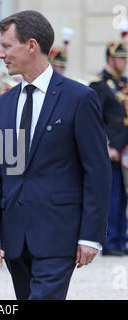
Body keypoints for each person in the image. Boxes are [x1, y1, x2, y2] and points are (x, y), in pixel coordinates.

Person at [0, 10, 112, 300]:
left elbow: (97, 172)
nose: (1, 55)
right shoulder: (1, 106)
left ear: (32, 45)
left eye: (7, 46)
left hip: (59, 234)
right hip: (14, 238)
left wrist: (91, 234)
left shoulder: (79, 98)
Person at [90, 40, 128, 256]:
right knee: (112, 197)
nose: (124, 62)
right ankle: (111, 240)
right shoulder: (99, 85)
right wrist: (105, 147)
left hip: (125, 151)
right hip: (111, 151)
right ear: (110, 59)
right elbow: (94, 120)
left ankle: (122, 238)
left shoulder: (124, 83)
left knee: (123, 196)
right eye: (121, 58)